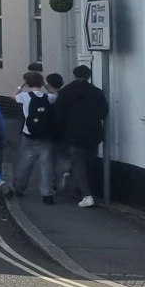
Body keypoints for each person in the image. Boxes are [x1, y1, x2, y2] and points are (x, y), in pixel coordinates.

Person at [52, 63, 110, 208]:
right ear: (89, 76)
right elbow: (103, 112)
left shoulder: (66, 91)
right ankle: (82, 186)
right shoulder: (96, 92)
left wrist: (60, 132)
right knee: (90, 162)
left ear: (74, 75)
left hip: (73, 132)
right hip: (94, 132)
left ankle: (86, 195)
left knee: (78, 162)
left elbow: (59, 113)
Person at [12, 71, 58, 203]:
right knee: (46, 165)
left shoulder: (24, 96)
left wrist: (21, 85)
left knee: (26, 162)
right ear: (41, 83)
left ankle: (19, 188)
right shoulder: (48, 97)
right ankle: (47, 194)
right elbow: (56, 94)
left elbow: (13, 95)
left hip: (29, 135)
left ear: (27, 84)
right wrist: (45, 85)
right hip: (45, 136)